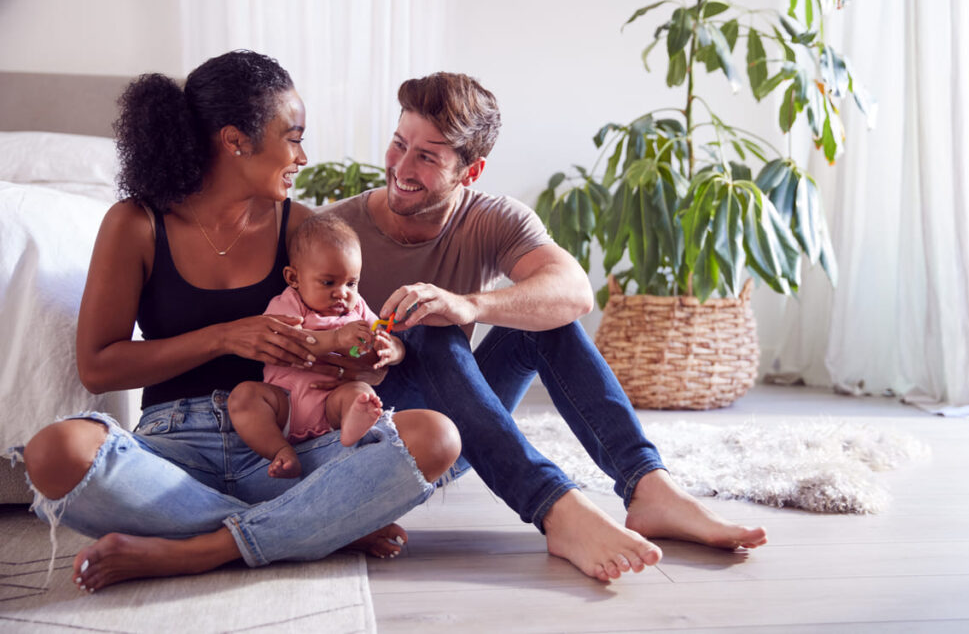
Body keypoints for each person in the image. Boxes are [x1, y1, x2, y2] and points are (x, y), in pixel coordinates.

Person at [16, 51, 460, 593]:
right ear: (235, 141)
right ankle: (310, 526)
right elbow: (98, 367)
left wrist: (359, 352)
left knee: (435, 437)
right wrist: (225, 336)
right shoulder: (135, 224)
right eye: (293, 137)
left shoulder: (301, 228)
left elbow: (354, 356)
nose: (302, 155)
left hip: (288, 449)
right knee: (54, 452)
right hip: (171, 456)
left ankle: (198, 549)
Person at [325, 72, 767, 582]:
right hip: (381, 443)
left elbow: (574, 292)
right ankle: (556, 509)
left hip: (466, 434)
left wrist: (469, 304)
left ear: (471, 171)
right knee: (429, 329)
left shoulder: (491, 217)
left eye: (427, 156)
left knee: (535, 320)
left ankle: (649, 487)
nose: (401, 167)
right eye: (399, 144)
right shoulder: (337, 230)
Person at [228, 213, 404, 478]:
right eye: (328, 282)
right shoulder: (289, 303)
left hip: (332, 403)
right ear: (293, 278)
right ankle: (280, 451)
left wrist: (392, 350)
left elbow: (382, 333)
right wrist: (335, 339)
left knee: (361, 392)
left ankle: (352, 426)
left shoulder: (357, 308)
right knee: (244, 397)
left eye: (351, 283)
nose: (342, 293)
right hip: (284, 405)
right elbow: (284, 342)